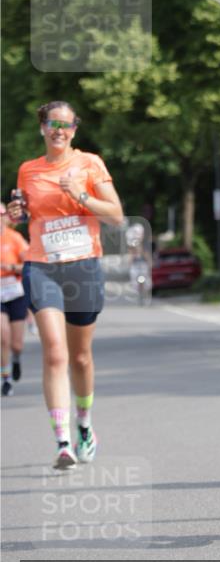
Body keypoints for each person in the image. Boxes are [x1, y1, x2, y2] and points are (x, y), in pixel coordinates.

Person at [7, 101, 124, 469]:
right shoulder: (27, 170)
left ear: (75, 129)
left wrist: (81, 193)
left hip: (83, 268)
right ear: (42, 127)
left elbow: (117, 216)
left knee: (80, 357)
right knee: (54, 353)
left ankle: (85, 425)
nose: (59, 129)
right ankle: (62, 442)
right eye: (52, 123)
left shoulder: (89, 164)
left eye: (66, 124)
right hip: (42, 267)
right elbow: (26, 213)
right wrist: (17, 213)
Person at [1, 203, 29, 396]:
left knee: (16, 344)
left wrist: (11, 267)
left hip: (15, 292)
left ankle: (16, 358)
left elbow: (28, 265)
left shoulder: (14, 238)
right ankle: (6, 379)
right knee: (3, 337)